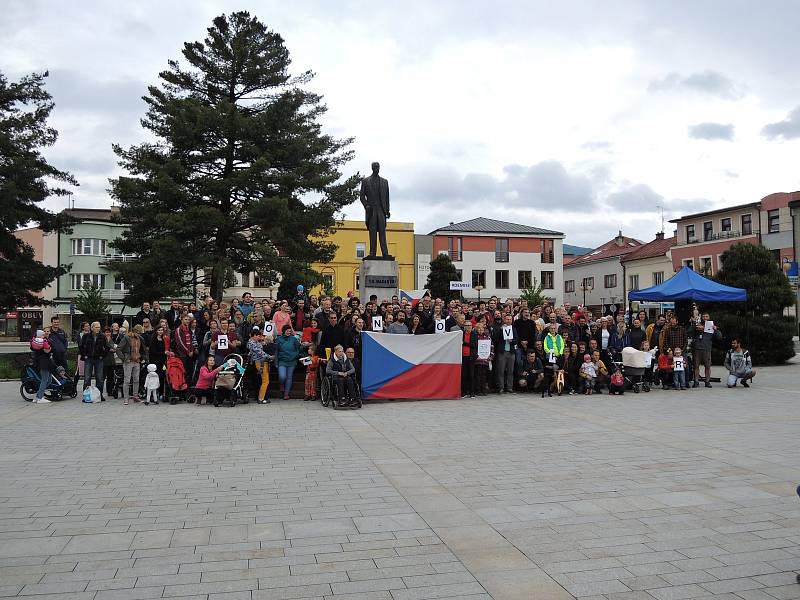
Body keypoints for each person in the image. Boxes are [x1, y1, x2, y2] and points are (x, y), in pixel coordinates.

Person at [80, 321, 109, 401]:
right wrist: (84, 355)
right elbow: (81, 346)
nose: (98, 329)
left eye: (99, 327)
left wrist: (102, 356)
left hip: (98, 359)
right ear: (92, 328)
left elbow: (107, 347)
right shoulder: (86, 336)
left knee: (100, 378)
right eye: (96, 327)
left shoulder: (102, 336)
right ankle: (86, 395)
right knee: (87, 378)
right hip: (88, 358)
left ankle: (99, 395)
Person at [692, 313, 720, 388]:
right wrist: (695, 327)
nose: (705, 318)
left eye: (706, 316)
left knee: (707, 366)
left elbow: (719, 337)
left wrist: (716, 330)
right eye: (703, 316)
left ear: (709, 317)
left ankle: (707, 381)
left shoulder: (711, 325)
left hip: (707, 349)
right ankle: (696, 381)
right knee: (696, 366)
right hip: (697, 349)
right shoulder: (697, 324)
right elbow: (689, 332)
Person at [116, 325, 143, 405]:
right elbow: (118, 349)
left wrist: (142, 357)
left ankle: (135, 396)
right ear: (135, 332)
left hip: (137, 360)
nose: (140, 335)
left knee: (136, 380)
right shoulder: (127, 338)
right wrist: (124, 358)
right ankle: (126, 398)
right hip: (129, 361)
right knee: (127, 380)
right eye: (139, 333)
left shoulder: (139, 339)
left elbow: (140, 349)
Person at [492, 314, 518, 393]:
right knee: (501, 370)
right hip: (502, 352)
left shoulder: (513, 329)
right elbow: (495, 339)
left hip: (511, 352)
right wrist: (500, 330)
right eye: (507, 319)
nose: (508, 321)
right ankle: (501, 387)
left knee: (510, 370)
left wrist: (512, 341)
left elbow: (517, 340)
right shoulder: (501, 328)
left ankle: (509, 387)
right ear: (504, 320)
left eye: (510, 319)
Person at [275, 324, 301, 400]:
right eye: (287, 331)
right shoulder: (279, 339)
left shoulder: (294, 339)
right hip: (282, 360)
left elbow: (298, 348)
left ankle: (286, 393)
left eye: (290, 331)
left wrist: (295, 355)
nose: (288, 332)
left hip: (292, 361)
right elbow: (276, 351)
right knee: (282, 376)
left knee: (289, 377)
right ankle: (282, 384)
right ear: (283, 331)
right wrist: (276, 362)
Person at [247, 328, 271, 404]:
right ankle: (261, 398)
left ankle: (261, 397)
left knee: (264, 380)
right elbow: (259, 352)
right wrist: (269, 356)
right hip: (259, 362)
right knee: (265, 381)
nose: (259, 337)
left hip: (260, 362)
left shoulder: (255, 342)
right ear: (254, 336)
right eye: (258, 336)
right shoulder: (252, 343)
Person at [470, 322, 493, 396]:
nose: (480, 330)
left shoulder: (487, 337)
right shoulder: (475, 337)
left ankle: (483, 389)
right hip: (478, 359)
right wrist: (476, 356)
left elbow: (491, 347)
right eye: (479, 328)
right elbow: (474, 348)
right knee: (478, 375)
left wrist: (490, 356)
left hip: (485, 359)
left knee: (484, 374)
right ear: (476, 329)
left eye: (482, 328)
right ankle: (478, 389)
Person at [31, 329, 53, 404]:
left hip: (43, 362)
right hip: (44, 363)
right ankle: (40, 398)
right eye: (44, 333)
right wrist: (50, 348)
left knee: (49, 380)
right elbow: (47, 350)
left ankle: (38, 396)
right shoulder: (42, 341)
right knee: (45, 380)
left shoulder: (35, 342)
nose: (45, 334)